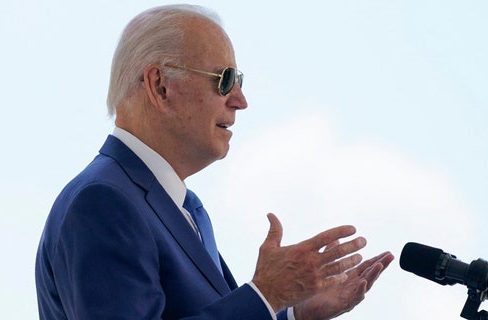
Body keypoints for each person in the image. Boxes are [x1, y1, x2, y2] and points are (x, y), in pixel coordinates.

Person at [35, 4, 394, 320]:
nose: (240, 100)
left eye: (238, 80)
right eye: (224, 80)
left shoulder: (187, 208)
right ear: (160, 86)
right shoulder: (103, 202)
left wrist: (291, 313)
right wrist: (266, 297)